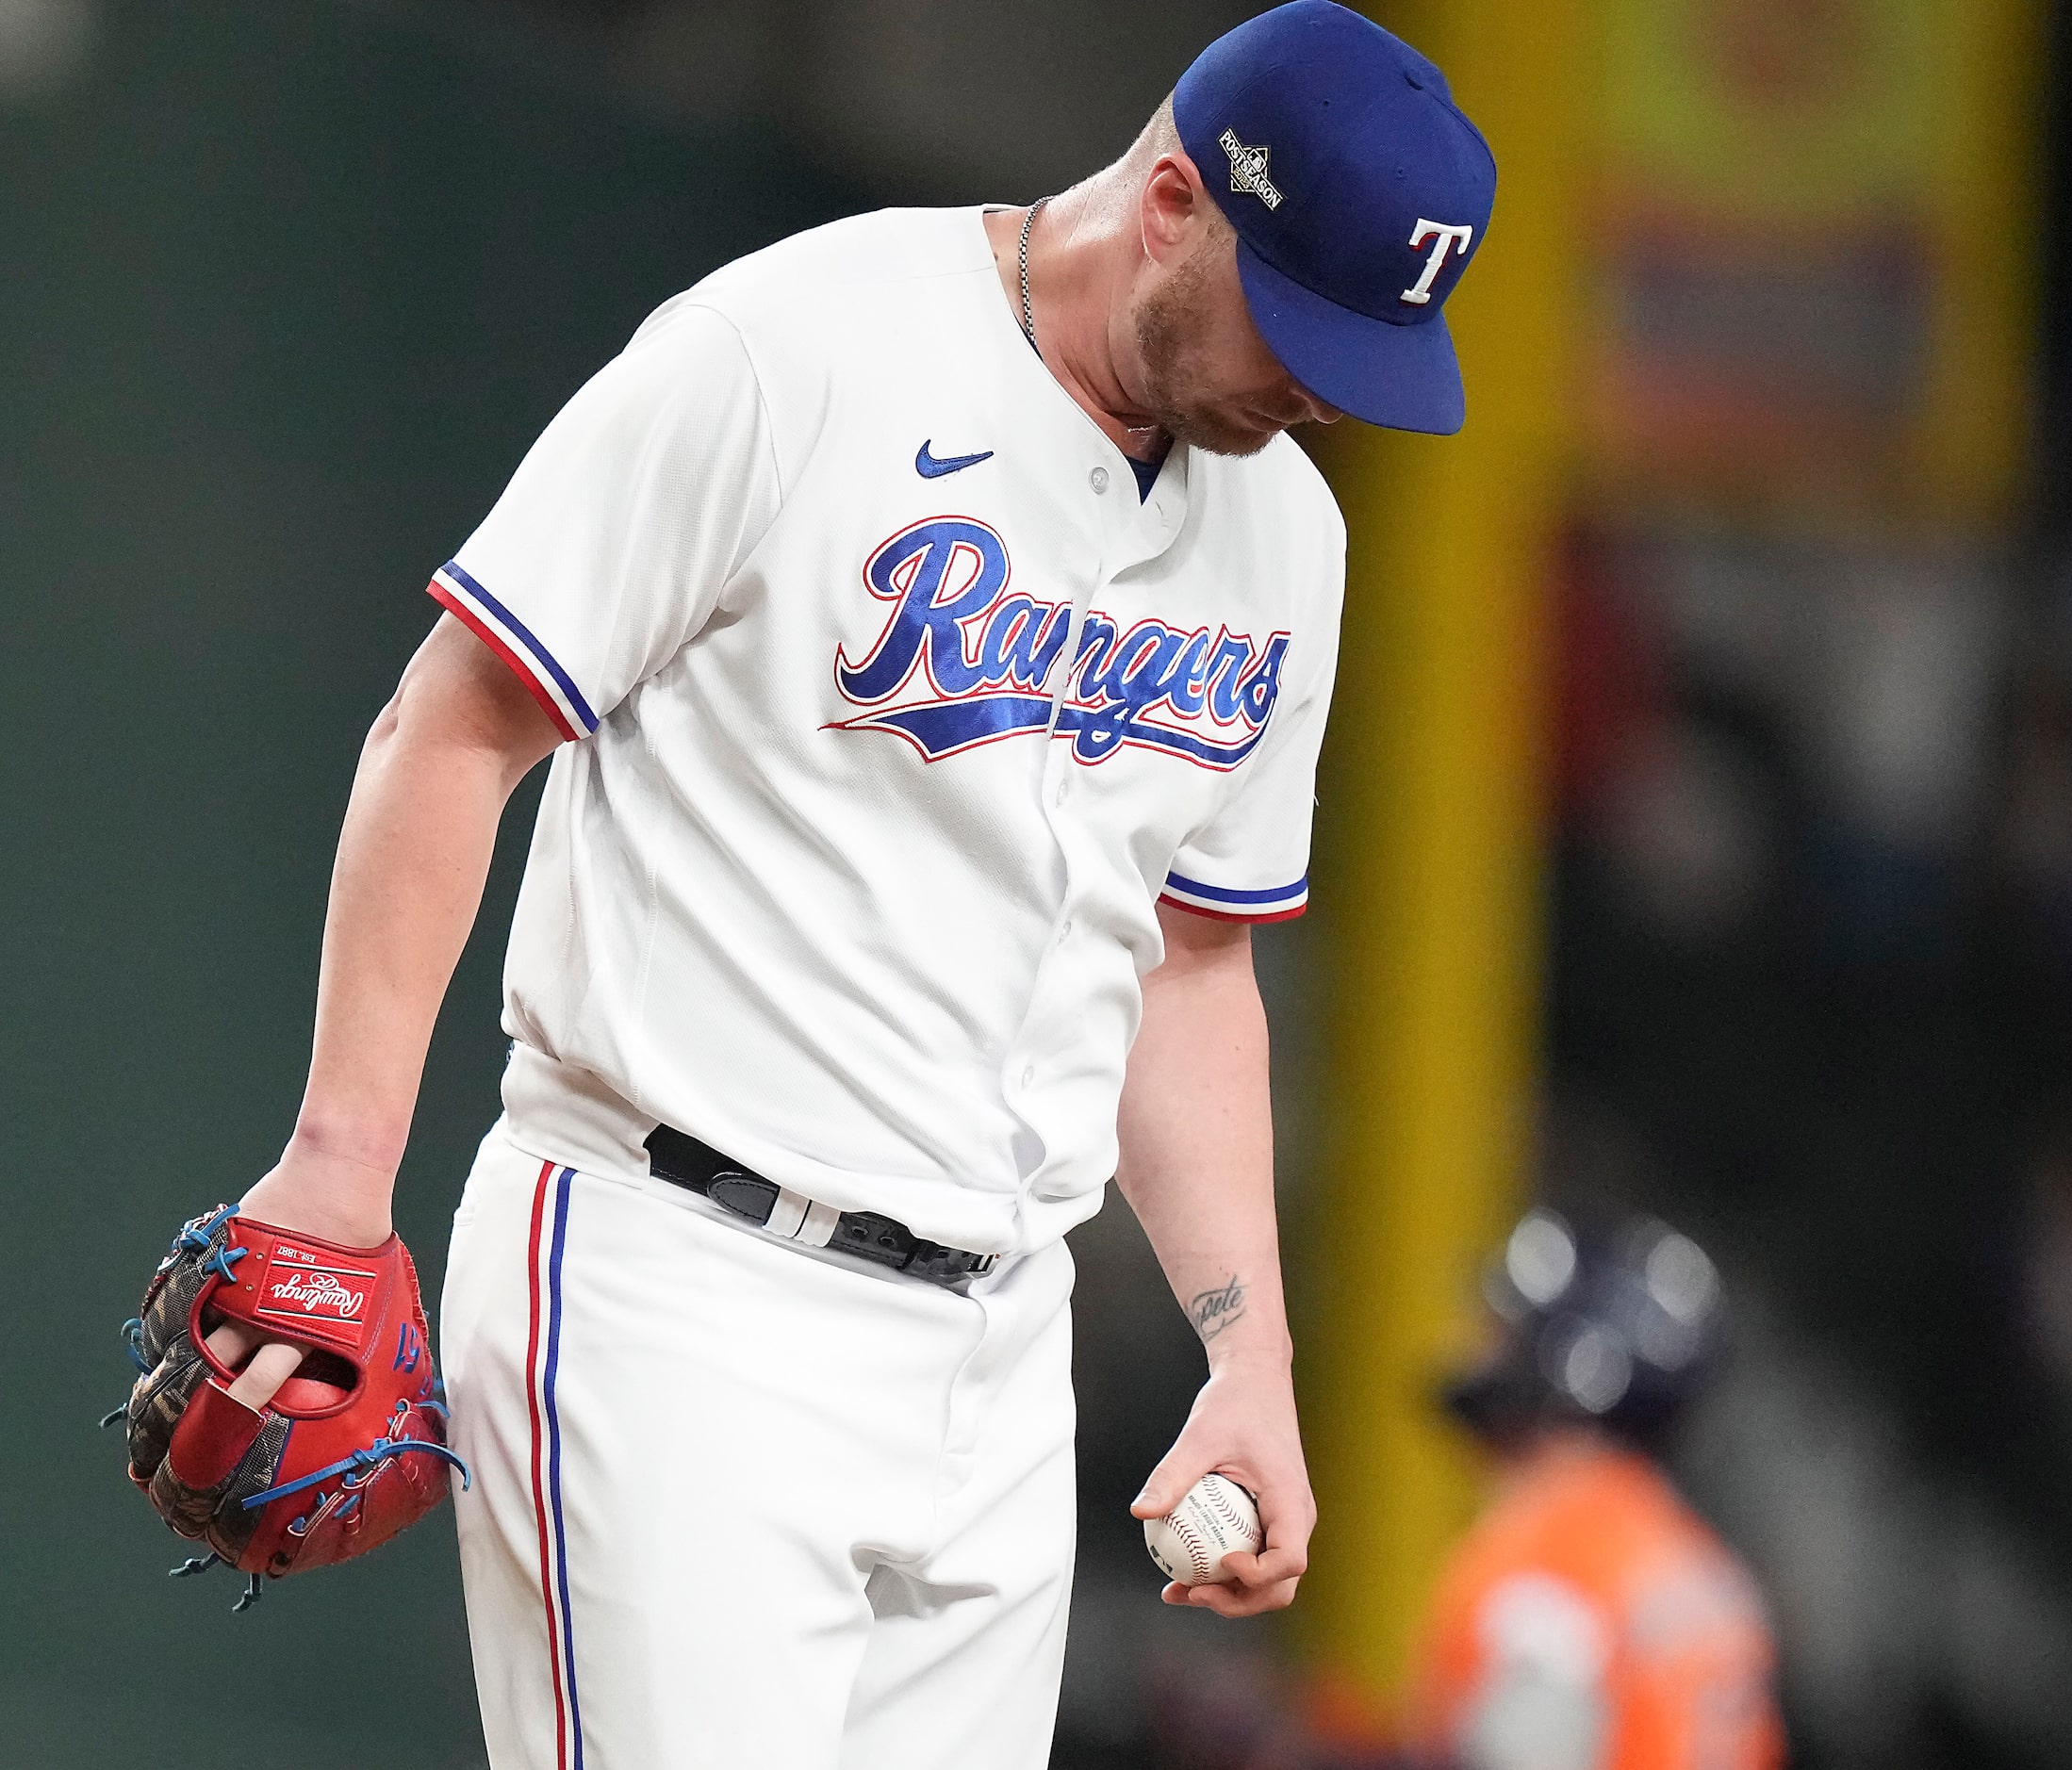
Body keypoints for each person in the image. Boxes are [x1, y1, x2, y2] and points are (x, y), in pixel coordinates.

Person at [195, 3, 1495, 1764]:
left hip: (999, 1348)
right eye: (1307, 320)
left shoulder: (1289, 536)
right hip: (684, 1276)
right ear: (1175, 199)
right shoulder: (794, 349)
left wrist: (1244, 1357)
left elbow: (1190, 971)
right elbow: (453, 727)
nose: (1325, 387)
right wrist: (338, 1173)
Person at [1412, 1208, 1786, 1770]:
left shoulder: (1554, 1555)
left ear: (1571, 1359)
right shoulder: (1696, 1560)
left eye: (1504, 1333)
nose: (1481, 1347)